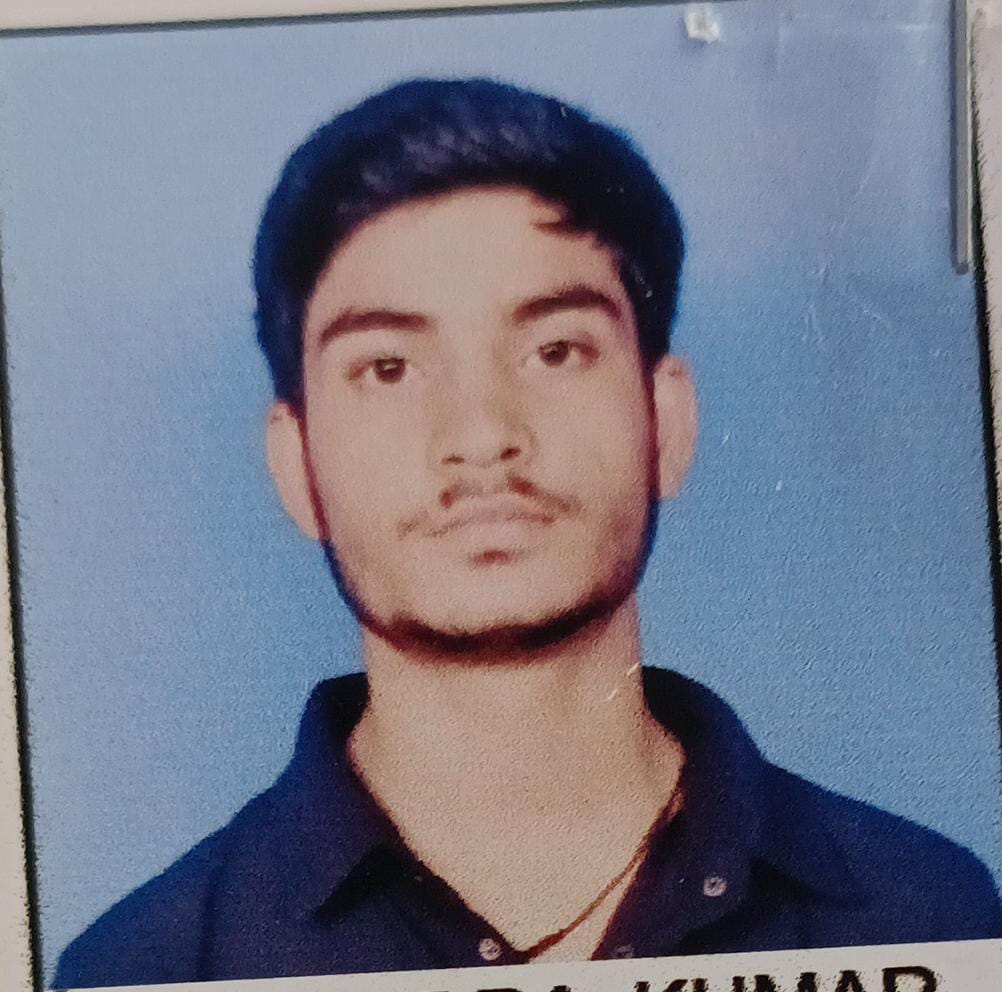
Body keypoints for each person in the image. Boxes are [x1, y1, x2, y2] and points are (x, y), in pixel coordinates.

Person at [55, 77, 1002, 990]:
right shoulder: (147, 971)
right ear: (296, 465)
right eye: (388, 368)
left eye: (555, 350)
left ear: (667, 424)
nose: (481, 436)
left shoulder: (926, 918)